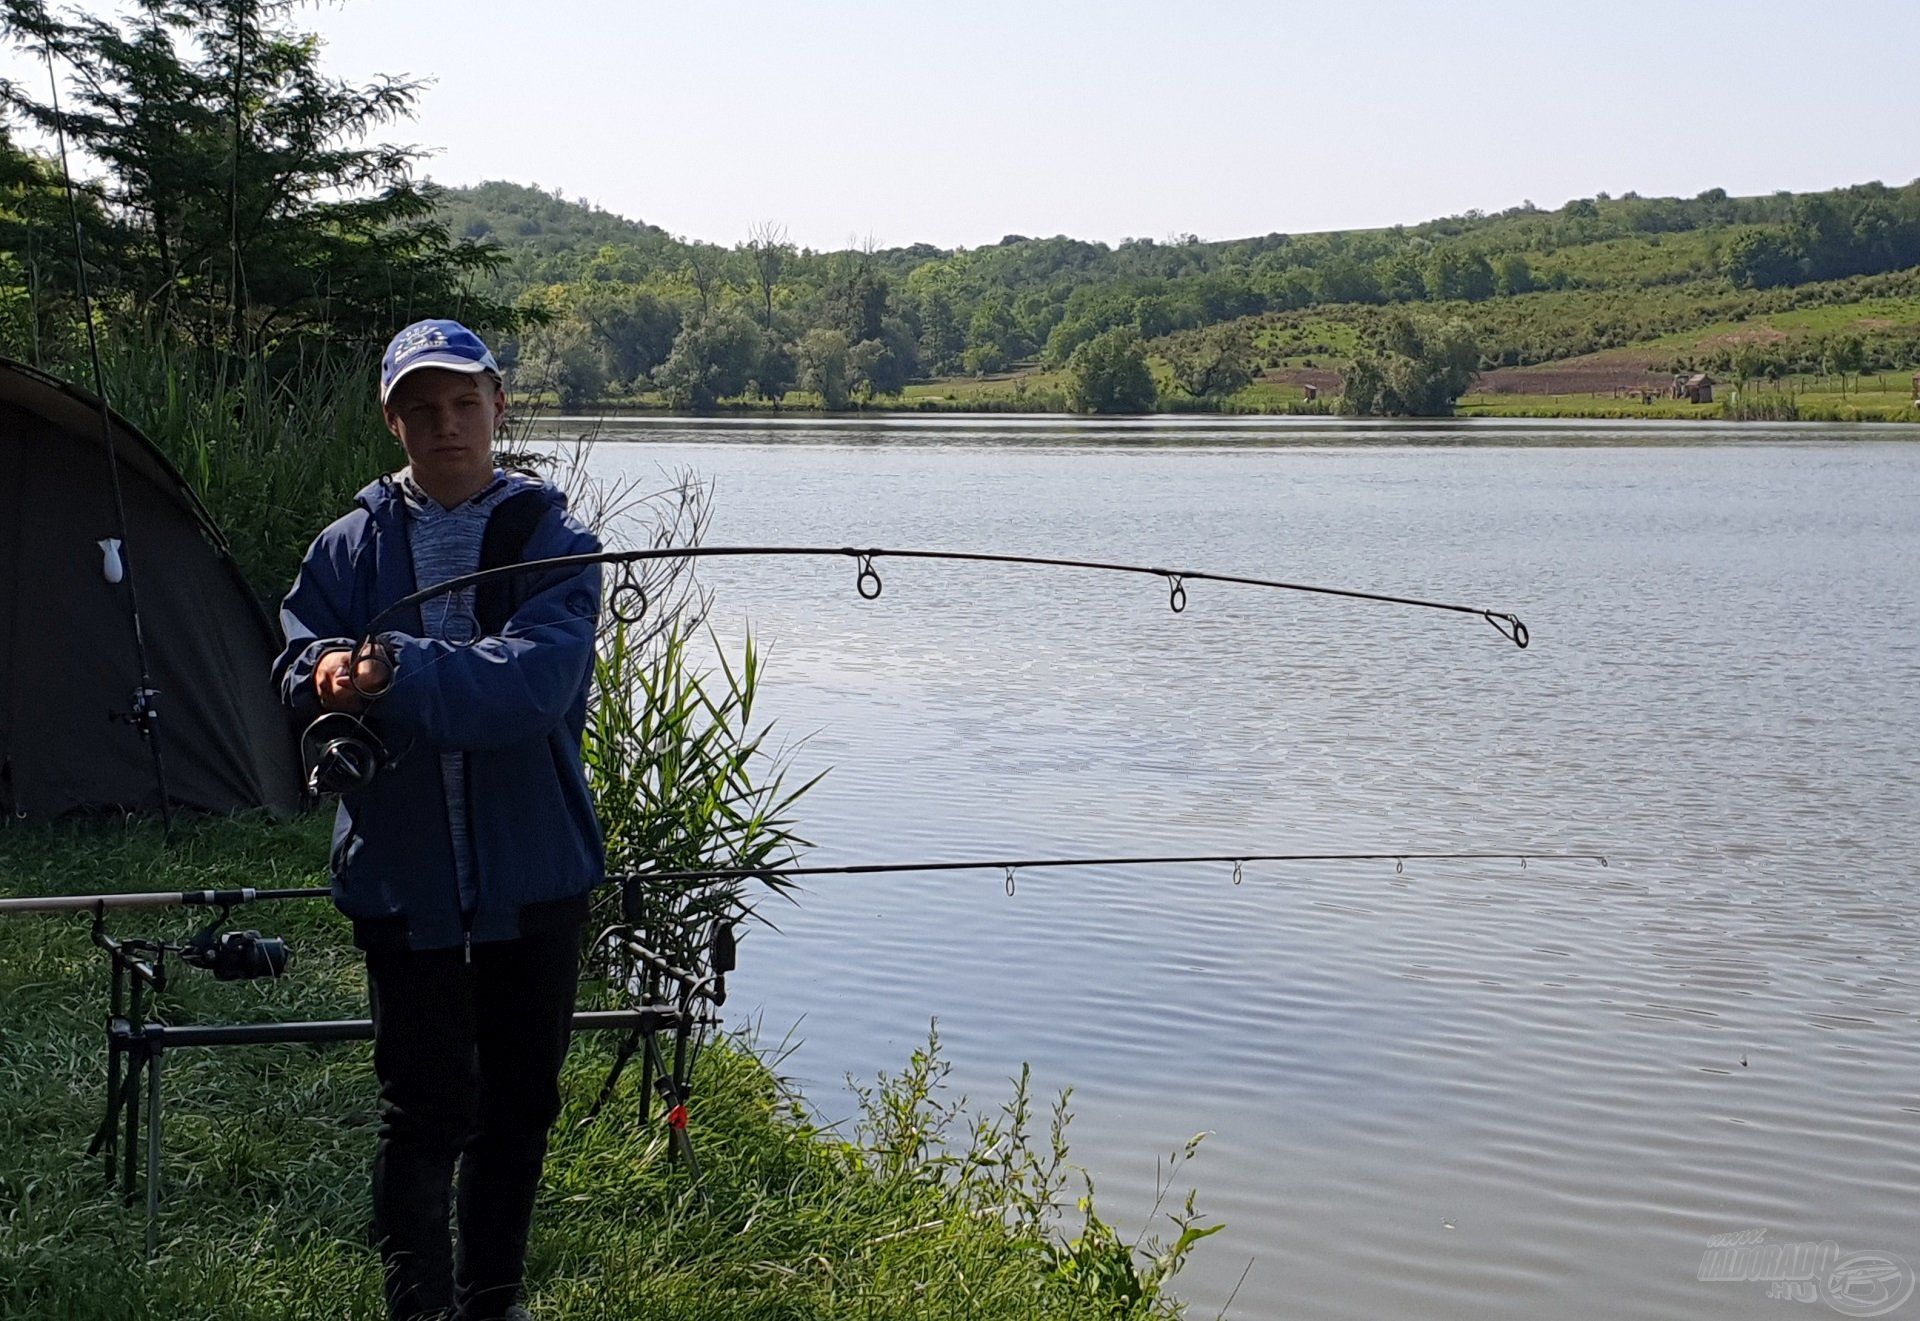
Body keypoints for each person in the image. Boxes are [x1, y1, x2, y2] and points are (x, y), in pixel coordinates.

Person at [273, 319, 604, 1321]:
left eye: (464, 403)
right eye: (422, 408)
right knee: (420, 1114)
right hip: (403, 877)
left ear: (499, 408)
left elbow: (533, 687)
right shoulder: (347, 545)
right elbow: (292, 658)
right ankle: (417, 1307)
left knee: (517, 1112)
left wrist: (396, 669)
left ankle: (490, 1302)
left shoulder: (556, 542)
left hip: (534, 876)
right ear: (393, 422)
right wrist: (323, 668)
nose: (446, 424)